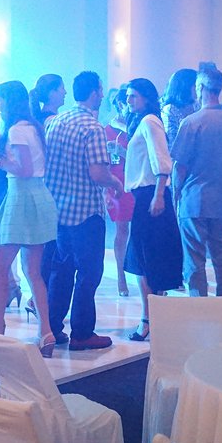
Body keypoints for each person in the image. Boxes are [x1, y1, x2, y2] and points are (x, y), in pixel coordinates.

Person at [44, 71, 123, 351]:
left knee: (61, 271)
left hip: (58, 212)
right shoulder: (92, 127)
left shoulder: (56, 122)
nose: (102, 95)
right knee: (89, 273)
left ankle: (52, 328)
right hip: (86, 213)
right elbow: (98, 173)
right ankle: (82, 332)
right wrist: (116, 183)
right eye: (100, 90)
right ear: (93, 93)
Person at [0, 80, 58, 359]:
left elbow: (23, 169)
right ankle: (46, 332)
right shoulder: (33, 127)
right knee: (32, 271)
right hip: (38, 196)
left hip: (21, 197)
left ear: (8, 101)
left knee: (0, 270)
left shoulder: (16, 129)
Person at [171, 66, 222, 298]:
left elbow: (180, 166)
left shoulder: (192, 122)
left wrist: (174, 197)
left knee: (194, 261)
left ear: (199, 88)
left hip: (194, 200)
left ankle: (199, 309)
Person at [122, 78, 183, 341]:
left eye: (133, 95)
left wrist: (158, 195)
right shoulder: (144, 121)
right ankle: (154, 318)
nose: (129, 100)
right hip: (147, 194)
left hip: (151, 196)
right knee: (145, 260)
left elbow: (162, 160)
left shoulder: (149, 122)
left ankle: (149, 319)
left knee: (145, 261)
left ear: (146, 97)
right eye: (128, 96)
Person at [103, 86, 135, 297]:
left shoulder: (137, 124)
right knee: (122, 229)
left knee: (140, 230)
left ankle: (143, 275)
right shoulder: (109, 128)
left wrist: (123, 151)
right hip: (117, 180)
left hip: (135, 178)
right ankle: (121, 277)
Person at [160, 68, 199, 147]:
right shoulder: (170, 109)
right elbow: (171, 141)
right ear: (186, 86)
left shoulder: (197, 106)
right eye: (195, 85)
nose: (198, 89)